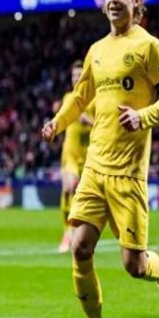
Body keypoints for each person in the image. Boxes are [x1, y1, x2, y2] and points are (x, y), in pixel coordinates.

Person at [42, 0, 159, 318]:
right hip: (95, 169)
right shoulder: (96, 51)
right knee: (80, 247)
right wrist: (57, 123)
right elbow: (79, 97)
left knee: (134, 265)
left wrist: (142, 116)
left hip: (128, 175)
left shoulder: (148, 46)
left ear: (136, 0)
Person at [55, 60, 94, 253]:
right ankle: (67, 232)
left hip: (88, 156)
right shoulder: (68, 98)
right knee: (67, 188)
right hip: (70, 154)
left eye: (79, 75)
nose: (76, 79)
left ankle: (80, 233)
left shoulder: (94, 100)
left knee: (84, 199)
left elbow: (102, 124)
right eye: (73, 76)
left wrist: (88, 120)